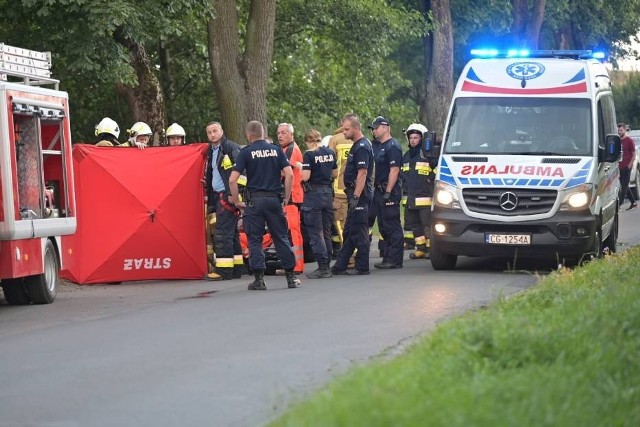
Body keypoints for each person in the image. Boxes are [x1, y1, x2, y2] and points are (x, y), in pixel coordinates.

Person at [229, 121, 301, 290]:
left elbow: (232, 179)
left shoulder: (246, 152)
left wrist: (237, 201)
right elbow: (289, 174)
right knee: (280, 237)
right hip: (274, 200)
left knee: (254, 239)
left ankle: (259, 279)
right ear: (262, 133)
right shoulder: (276, 150)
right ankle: (290, 277)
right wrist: (286, 197)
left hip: (254, 202)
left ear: (249, 135)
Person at [331, 113, 374, 275]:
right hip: (354, 194)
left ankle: (362, 267)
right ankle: (340, 265)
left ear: (356, 129)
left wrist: (356, 196)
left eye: (347, 129)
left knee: (360, 231)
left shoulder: (362, 146)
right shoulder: (357, 144)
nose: (344, 132)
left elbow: (362, 174)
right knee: (349, 230)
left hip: (359, 195)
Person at [205, 121, 245, 280]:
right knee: (232, 233)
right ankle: (236, 268)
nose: (212, 134)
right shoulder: (211, 150)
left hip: (227, 195)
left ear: (222, 131)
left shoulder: (230, 148)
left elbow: (240, 173)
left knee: (222, 233)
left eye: (215, 131)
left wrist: (234, 194)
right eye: (209, 132)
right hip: (219, 196)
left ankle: (224, 271)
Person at [301, 129, 337, 279]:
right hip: (328, 194)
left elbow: (305, 176)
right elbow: (335, 174)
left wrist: (300, 167)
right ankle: (328, 263)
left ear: (308, 141)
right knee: (327, 231)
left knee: (316, 233)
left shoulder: (309, 154)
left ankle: (322, 267)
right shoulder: (330, 152)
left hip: (314, 195)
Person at [369, 116, 404, 269]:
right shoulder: (377, 146)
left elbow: (394, 170)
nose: (374, 131)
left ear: (385, 127)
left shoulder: (392, 146)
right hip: (378, 190)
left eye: (376, 128)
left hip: (388, 190)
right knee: (383, 225)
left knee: (392, 225)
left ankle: (395, 259)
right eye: (373, 128)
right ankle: (388, 257)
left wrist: (388, 191)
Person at [401, 123, 435, 259]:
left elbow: (436, 172)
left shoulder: (429, 155)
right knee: (415, 225)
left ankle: (431, 249)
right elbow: (402, 176)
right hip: (410, 198)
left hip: (425, 198)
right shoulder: (406, 156)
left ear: (422, 139)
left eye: (416, 137)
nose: (413, 140)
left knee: (427, 225)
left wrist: (430, 181)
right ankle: (421, 248)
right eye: (411, 138)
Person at [276, 123, 305, 273]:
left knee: (293, 231)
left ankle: (297, 266)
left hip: (292, 196)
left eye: (283, 133)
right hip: (292, 195)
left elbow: (284, 172)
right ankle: (293, 264)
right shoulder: (286, 149)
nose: (280, 135)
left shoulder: (291, 150)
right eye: (278, 133)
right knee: (291, 230)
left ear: (291, 135)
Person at [328, 126, 354, 256]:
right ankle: (355, 255)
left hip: (339, 190)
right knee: (356, 224)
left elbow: (329, 166)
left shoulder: (335, 140)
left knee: (340, 224)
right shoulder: (360, 141)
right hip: (356, 190)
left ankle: (348, 256)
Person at [618, 123, 637, 210]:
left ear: (625, 130)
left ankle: (619, 205)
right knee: (624, 185)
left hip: (627, 167)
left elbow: (634, 154)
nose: (619, 132)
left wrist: (629, 166)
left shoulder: (629, 140)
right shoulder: (618, 140)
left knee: (624, 187)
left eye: (621, 130)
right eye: (618, 130)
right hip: (619, 167)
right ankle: (633, 202)